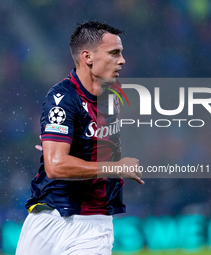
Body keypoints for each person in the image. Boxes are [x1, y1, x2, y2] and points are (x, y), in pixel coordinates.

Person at [16, 21, 144, 255]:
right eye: (114, 53)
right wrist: (115, 168)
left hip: (94, 224)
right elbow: (56, 167)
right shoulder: (62, 97)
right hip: (48, 217)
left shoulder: (114, 97)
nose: (122, 60)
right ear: (88, 57)